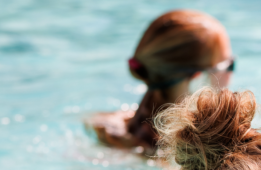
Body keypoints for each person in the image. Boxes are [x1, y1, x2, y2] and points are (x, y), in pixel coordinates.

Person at [87, 10, 235, 155]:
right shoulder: (187, 157)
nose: (231, 74)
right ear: (198, 78)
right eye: (230, 65)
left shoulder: (106, 124)